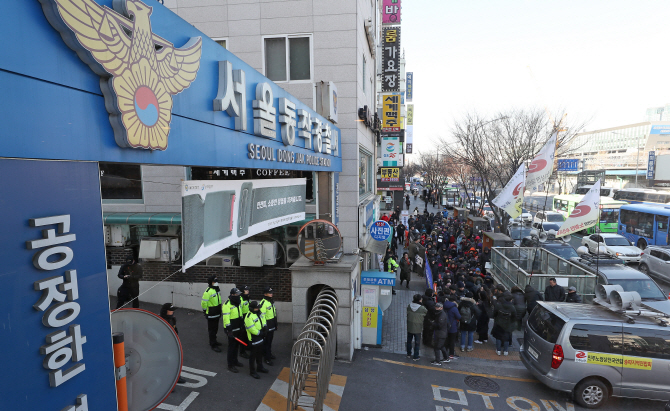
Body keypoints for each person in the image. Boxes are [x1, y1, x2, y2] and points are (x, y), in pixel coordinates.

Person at [222, 288, 247, 373]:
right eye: (237, 294)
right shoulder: (227, 305)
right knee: (231, 347)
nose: (239, 296)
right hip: (232, 329)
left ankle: (235, 361)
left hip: (239, 328)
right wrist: (229, 331)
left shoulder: (238, 302)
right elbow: (226, 319)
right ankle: (230, 364)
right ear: (232, 295)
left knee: (236, 346)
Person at [244, 301, 269, 379]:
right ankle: (252, 371)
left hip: (260, 336)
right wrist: (261, 333)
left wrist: (265, 327)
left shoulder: (258, 313)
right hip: (254, 338)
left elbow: (263, 320)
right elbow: (251, 329)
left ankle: (260, 367)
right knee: (253, 355)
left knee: (259, 353)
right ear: (252, 308)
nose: (258, 309)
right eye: (256, 308)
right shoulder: (249, 317)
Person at [200, 276, 223, 352]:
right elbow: (204, 303)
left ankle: (215, 341)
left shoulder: (216, 289)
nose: (216, 282)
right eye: (214, 281)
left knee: (215, 328)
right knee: (212, 330)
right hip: (211, 313)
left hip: (217, 312)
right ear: (211, 282)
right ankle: (213, 344)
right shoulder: (208, 291)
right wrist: (205, 311)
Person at [259, 287, 277, 366]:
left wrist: (275, 323)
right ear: (265, 294)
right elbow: (262, 316)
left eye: (272, 293)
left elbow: (273, 313)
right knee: (267, 342)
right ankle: (267, 358)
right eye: (270, 293)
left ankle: (268, 354)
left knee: (270, 341)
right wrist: (264, 326)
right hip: (267, 325)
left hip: (272, 323)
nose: (271, 294)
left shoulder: (270, 301)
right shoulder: (263, 303)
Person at [406, 294, 427, 361]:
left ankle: (408, 353)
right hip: (418, 327)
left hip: (410, 325)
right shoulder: (422, 308)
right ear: (419, 300)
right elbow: (426, 313)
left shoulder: (409, 306)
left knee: (409, 340)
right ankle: (416, 356)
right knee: (417, 342)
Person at [444, 296, 461, 360]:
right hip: (452, 327)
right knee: (452, 341)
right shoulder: (454, 308)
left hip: (445, 325)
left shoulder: (444, 305)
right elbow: (459, 317)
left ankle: (445, 352)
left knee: (447, 340)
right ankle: (451, 354)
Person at [239, 285, 251, 359]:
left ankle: (246, 346)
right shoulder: (241, 299)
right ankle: (242, 351)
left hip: (247, 317)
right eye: (246, 290)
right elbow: (240, 310)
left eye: (248, 290)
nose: (248, 291)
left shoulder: (247, 297)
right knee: (242, 335)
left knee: (246, 334)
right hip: (243, 318)